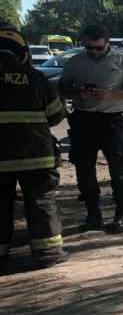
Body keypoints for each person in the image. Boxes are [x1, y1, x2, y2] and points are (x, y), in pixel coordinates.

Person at [58, 24, 123, 234]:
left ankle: (120, 214)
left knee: (119, 167)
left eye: (98, 48)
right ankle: (92, 215)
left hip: (111, 120)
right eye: (89, 48)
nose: (93, 52)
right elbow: (62, 88)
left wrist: (110, 95)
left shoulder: (121, 60)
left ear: (107, 43)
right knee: (83, 168)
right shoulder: (75, 61)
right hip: (82, 120)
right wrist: (77, 91)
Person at [0, 28, 67, 269]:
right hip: (35, 155)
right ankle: (48, 253)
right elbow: (57, 114)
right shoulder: (36, 78)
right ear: (22, 53)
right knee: (41, 202)